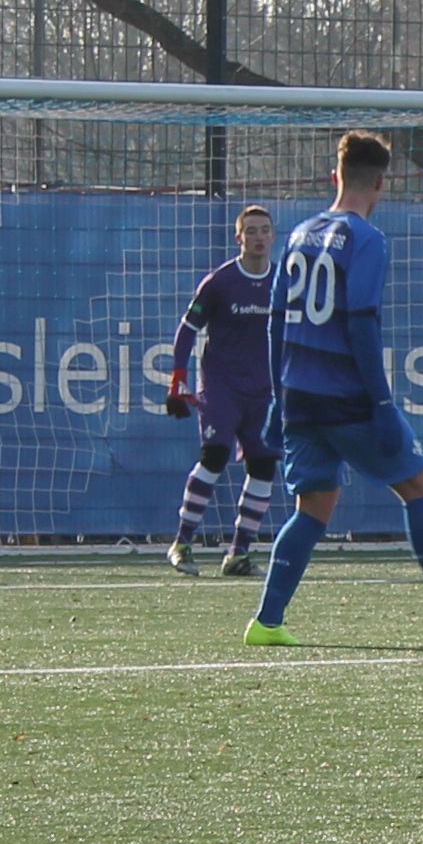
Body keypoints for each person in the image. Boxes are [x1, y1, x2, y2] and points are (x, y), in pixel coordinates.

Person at [243, 131, 423, 647]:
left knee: (313, 505)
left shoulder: (297, 235)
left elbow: (275, 322)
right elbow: (360, 322)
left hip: (297, 395)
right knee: (419, 486)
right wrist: (381, 403)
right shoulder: (367, 239)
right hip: (347, 397)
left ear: (334, 176)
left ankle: (267, 622)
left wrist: (277, 395)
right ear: (382, 183)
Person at [161, 204, 283, 577]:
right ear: (239, 238)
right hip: (222, 385)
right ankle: (182, 543)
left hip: (265, 391)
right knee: (214, 455)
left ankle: (238, 554)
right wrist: (178, 376)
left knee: (263, 466)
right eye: (251, 231)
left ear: (273, 236)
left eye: (264, 230)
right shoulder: (220, 282)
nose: (259, 237)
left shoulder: (284, 282)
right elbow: (187, 330)